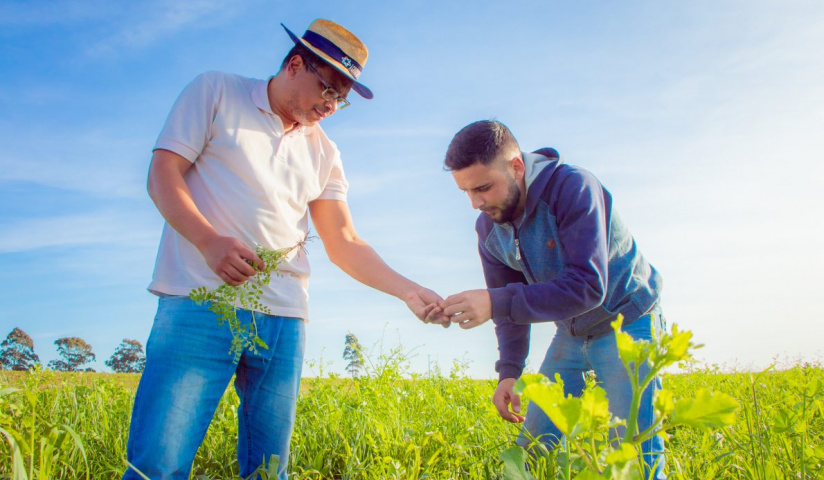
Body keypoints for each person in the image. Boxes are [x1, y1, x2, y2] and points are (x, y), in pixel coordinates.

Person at [124, 19, 447, 480]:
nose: (332, 105)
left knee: (268, 469)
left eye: (342, 99)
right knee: (158, 463)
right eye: (328, 89)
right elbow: (163, 175)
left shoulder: (325, 152)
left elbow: (345, 241)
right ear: (295, 64)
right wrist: (208, 241)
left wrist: (408, 290)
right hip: (200, 304)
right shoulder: (216, 91)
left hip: (283, 319)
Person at [438, 120, 666, 479]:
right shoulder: (488, 228)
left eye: (483, 188)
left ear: (516, 167)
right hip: (571, 334)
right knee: (530, 451)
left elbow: (588, 286)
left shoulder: (573, 188)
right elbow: (509, 307)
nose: (475, 203)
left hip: (628, 321)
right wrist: (509, 371)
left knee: (632, 457)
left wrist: (495, 302)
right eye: (466, 192)